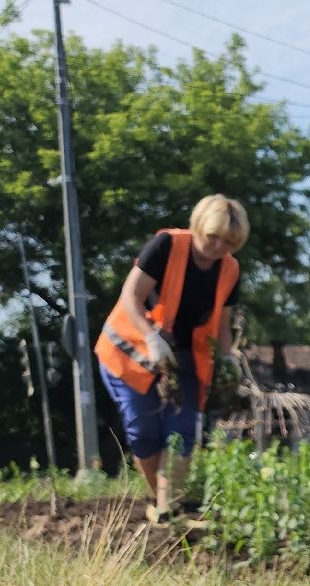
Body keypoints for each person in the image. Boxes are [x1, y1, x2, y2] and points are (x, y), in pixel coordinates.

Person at [96, 193, 246, 522]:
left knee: (182, 431)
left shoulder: (230, 269)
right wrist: (151, 337)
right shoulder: (166, 246)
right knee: (143, 430)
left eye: (229, 242)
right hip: (130, 350)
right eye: (213, 237)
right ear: (198, 227)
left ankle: (169, 507)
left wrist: (228, 358)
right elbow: (131, 296)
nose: (218, 247)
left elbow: (222, 323)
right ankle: (158, 498)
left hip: (185, 356)